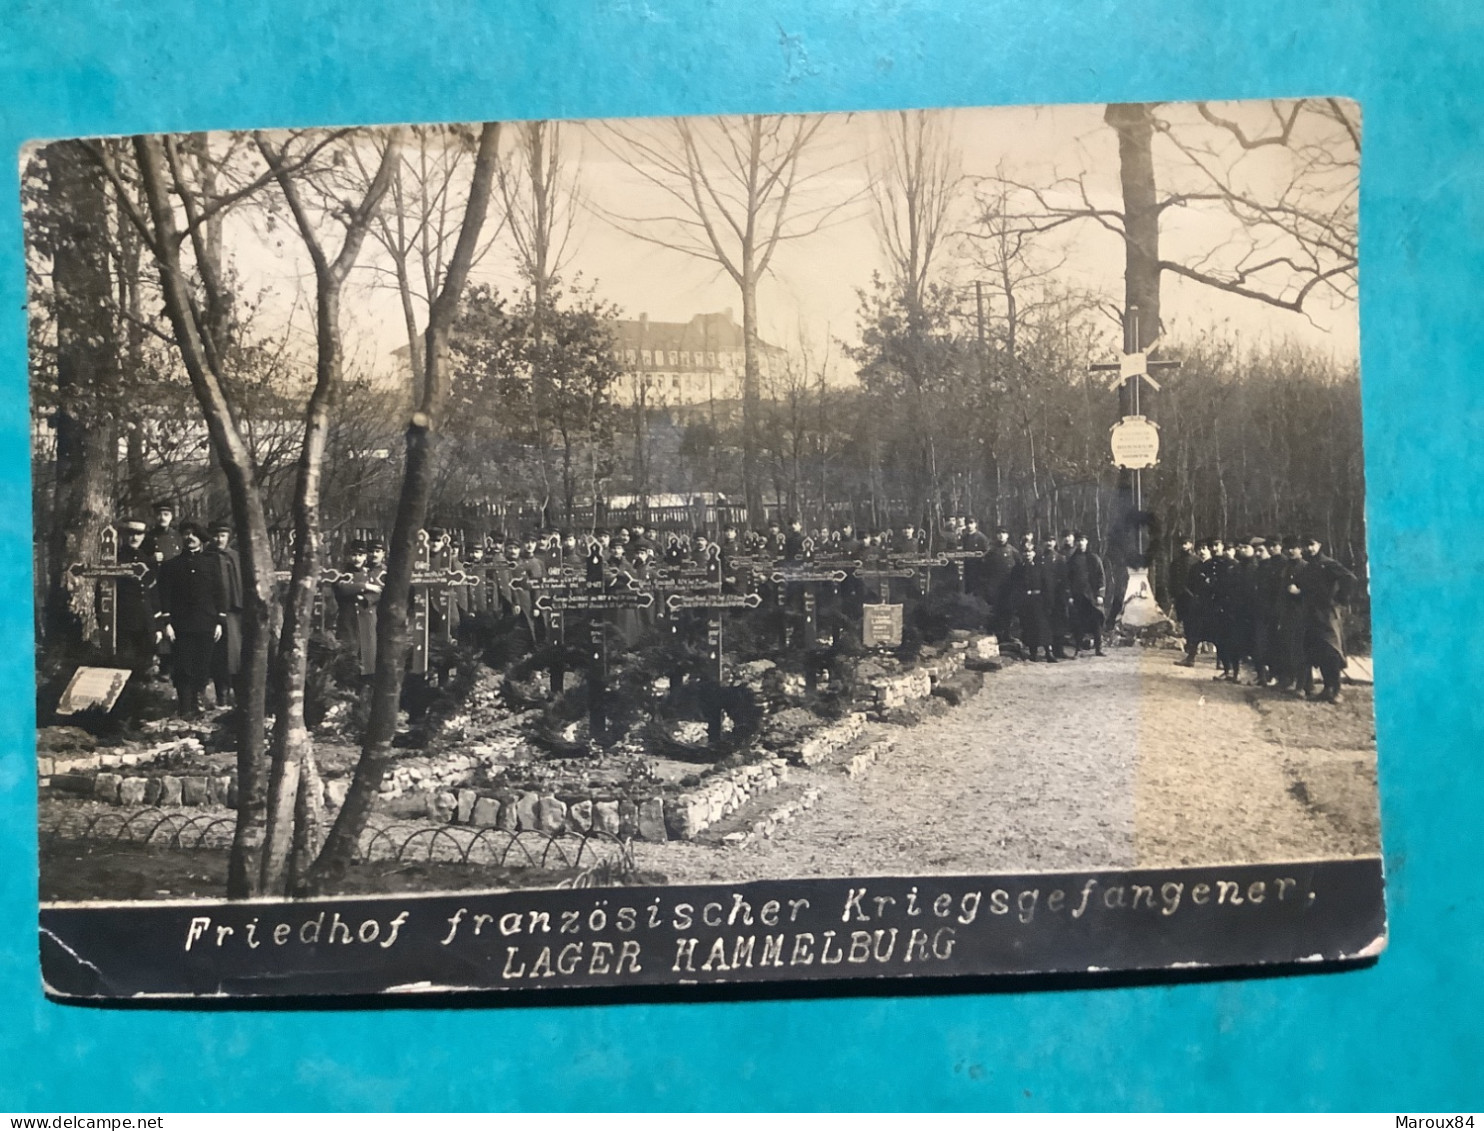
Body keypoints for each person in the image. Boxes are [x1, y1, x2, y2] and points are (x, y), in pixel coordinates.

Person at [155, 522, 226, 717]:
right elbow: (164, 596)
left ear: (201, 540)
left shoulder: (211, 564)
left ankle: (198, 703)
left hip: (206, 623)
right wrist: (167, 623)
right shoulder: (171, 565)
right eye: (186, 534)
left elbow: (219, 593)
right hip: (181, 625)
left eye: (194, 535)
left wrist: (219, 621)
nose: (190, 538)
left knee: (203, 665)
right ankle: (185, 707)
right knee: (183, 665)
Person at [1294, 536, 1358, 703]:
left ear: (1319, 545)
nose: (1308, 548)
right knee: (1319, 652)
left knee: (1331, 651)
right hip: (1311, 614)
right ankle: (1327, 688)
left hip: (1327, 615)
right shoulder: (1308, 567)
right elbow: (1303, 588)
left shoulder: (1327, 564)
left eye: (1311, 544)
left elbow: (1349, 578)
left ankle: (1336, 691)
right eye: (1305, 546)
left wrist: (1340, 599)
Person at [114, 518, 160, 674]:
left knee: (144, 666)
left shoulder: (147, 559)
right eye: (131, 533)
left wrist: (157, 624)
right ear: (124, 535)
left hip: (145, 621)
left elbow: (153, 593)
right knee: (124, 668)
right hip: (124, 621)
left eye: (139, 534)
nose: (135, 538)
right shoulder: (116, 560)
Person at [205, 521, 243, 705]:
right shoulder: (207, 557)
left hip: (235, 613)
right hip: (215, 613)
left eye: (222, 536)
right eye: (216, 535)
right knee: (220, 655)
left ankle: (238, 694)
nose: (218, 539)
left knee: (236, 655)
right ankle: (221, 694)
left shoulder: (235, 556)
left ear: (228, 537)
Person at [332, 541, 381, 678]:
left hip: (367, 618)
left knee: (368, 657)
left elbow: (379, 592)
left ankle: (367, 688)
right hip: (349, 620)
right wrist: (365, 586)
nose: (357, 558)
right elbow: (342, 588)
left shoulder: (372, 574)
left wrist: (366, 599)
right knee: (348, 655)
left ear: (365, 557)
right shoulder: (342, 574)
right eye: (354, 555)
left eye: (360, 555)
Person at [1010, 542, 1057, 662]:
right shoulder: (1018, 569)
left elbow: (1047, 585)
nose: (1027, 554)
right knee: (1029, 627)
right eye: (1025, 552)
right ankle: (1033, 652)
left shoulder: (1040, 567)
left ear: (1034, 553)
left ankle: (1048, 652)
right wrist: (1018, 602)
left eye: (1030, 552)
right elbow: (1015, 587)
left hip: (1039, 600)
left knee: (1044, 627)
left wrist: (1049, 602)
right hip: (1025, 601)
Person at [1066, 532, 1106, 656]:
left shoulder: (1094, 558)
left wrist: (1100, 595)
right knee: (1078, 624)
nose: (1080, 543)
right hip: (1078, 596)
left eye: (1083, 540)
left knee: (1096, 623)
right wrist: (1070, 596)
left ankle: (1099, 648)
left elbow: (1101, 577)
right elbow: (1067, 580)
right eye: (1078, 541)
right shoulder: (1072, 560)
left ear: (1086, 542)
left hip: (1092, 597)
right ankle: (1078, 649)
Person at [143, 500, 183, 565]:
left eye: (166, 514)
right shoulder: (147, 537)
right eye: (159, 514)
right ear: (154, 517)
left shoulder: (178, 536)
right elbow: (140, 558)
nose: (162, 518)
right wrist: (150, 559)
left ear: (171, 517)